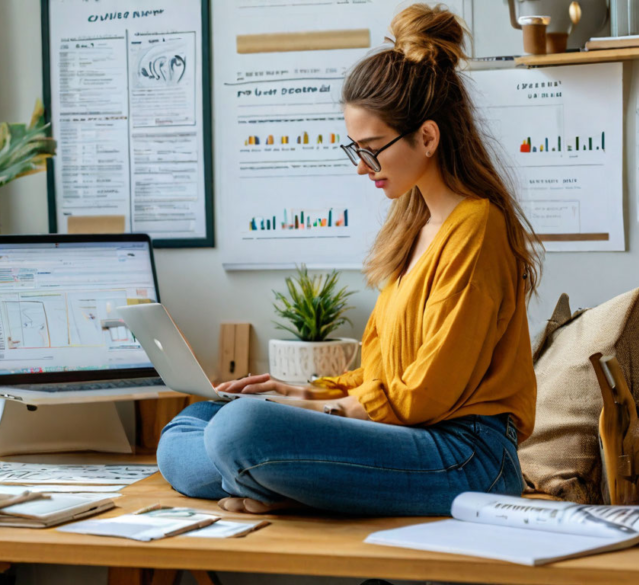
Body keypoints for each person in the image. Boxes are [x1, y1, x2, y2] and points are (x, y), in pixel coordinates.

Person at [156, 3, 542, 516]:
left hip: (466, 455)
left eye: (373, 148)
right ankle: (281, 479)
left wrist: (320, 410)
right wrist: (299, 392)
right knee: (189, 429)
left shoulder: (477, 226)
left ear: (427, 137)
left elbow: (426, 395)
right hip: (405, 436)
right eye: (354, 149)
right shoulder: (411, 229)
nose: (363, 168)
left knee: (239, 429)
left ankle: (276, 478)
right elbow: (382, 373)